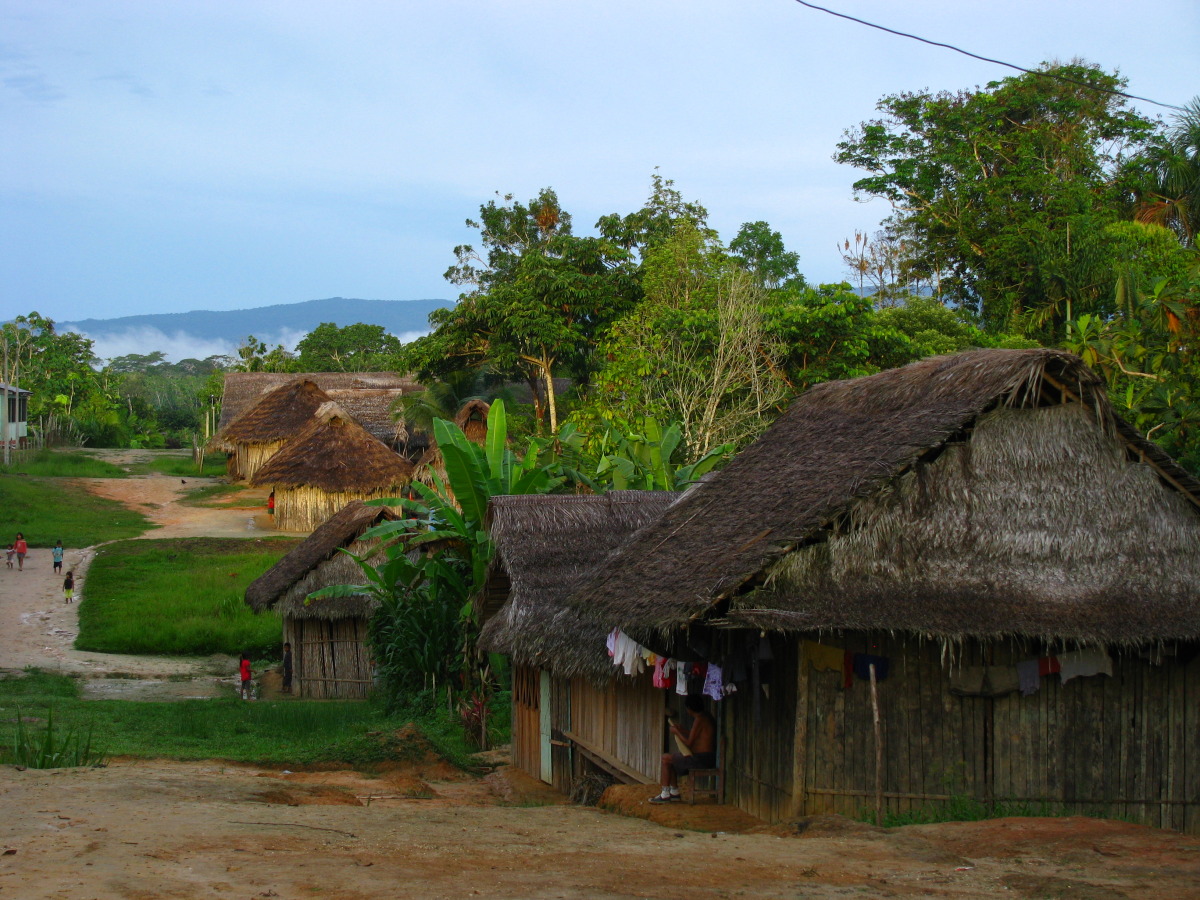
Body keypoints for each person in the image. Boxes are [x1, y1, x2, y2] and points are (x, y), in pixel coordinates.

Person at [650, 694, 717, 803]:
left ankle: (665, 794)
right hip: (706, 757)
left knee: (666, 758)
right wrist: (682, 731)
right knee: (672, 758)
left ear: (689, 708)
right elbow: (696, 735)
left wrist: (676, 732)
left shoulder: (699, 719)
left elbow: (689, 743)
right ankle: (674, 793)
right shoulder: (706, 716)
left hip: (701, 759)